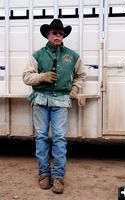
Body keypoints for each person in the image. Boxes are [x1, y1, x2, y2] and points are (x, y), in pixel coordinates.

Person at [22, 18, 86, 194]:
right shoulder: (37, 55)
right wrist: (42, 77)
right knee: (41, 137)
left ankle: (58, 177)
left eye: (61, 33)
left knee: (59, 138)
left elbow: (81, 75)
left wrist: (74, 89)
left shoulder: (72, 56)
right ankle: (44, 174)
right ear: (48, 35)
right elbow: (26, 77)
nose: (58, 36)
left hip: (61, 101)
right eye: (54, 33)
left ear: (63, 36)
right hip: (41, 100)